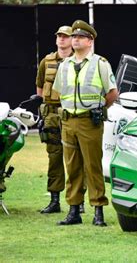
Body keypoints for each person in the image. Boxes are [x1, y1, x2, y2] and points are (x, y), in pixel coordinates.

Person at [52, 20, 118, 227]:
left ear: (90, 41)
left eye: (80, 37)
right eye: (74, 37)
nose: (75, 40)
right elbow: (60, 91)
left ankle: (98, 210)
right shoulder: (65, 65)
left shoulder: (100, 63)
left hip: (89, 121)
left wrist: (98, 108)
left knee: (93, 166)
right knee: (72, 167)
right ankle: (74, 210)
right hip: (69, 121)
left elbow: (113, 93)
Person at [36, 25, 77, 214]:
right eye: (59, 36)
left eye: (65, 36)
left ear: (72, 40)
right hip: (52, 115)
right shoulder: (47, 61)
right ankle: (54, 200)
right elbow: (39, 88)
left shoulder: (80, 61)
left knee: (76, 158)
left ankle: (77, 201)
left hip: (72, 114)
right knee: (54, 157)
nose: (61, 39)